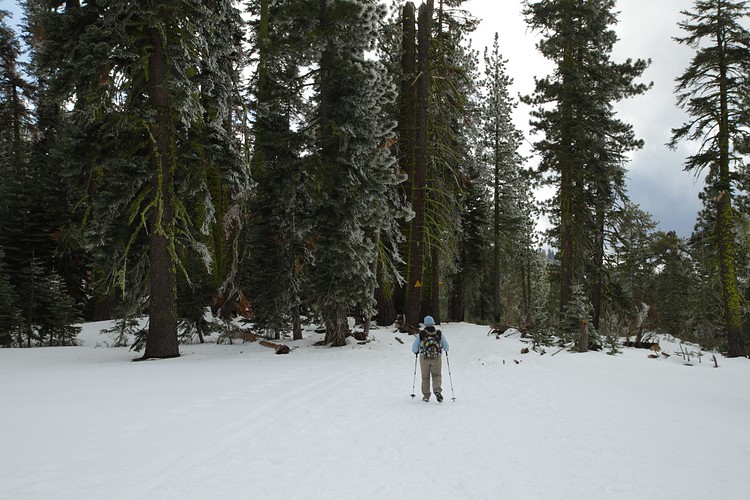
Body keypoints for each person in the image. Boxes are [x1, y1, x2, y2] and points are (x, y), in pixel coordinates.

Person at [411, 315, 449, 402]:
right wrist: (445, 350)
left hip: (424, 358)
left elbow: (414, 348)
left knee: (425, 377)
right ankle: (437, 390)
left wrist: (417, 352)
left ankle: (426, 396)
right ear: (433, 323)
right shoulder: (438, 333)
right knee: (437, 375)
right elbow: (446, 346)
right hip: (437, 358)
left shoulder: (422, 334)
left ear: (425, 324)